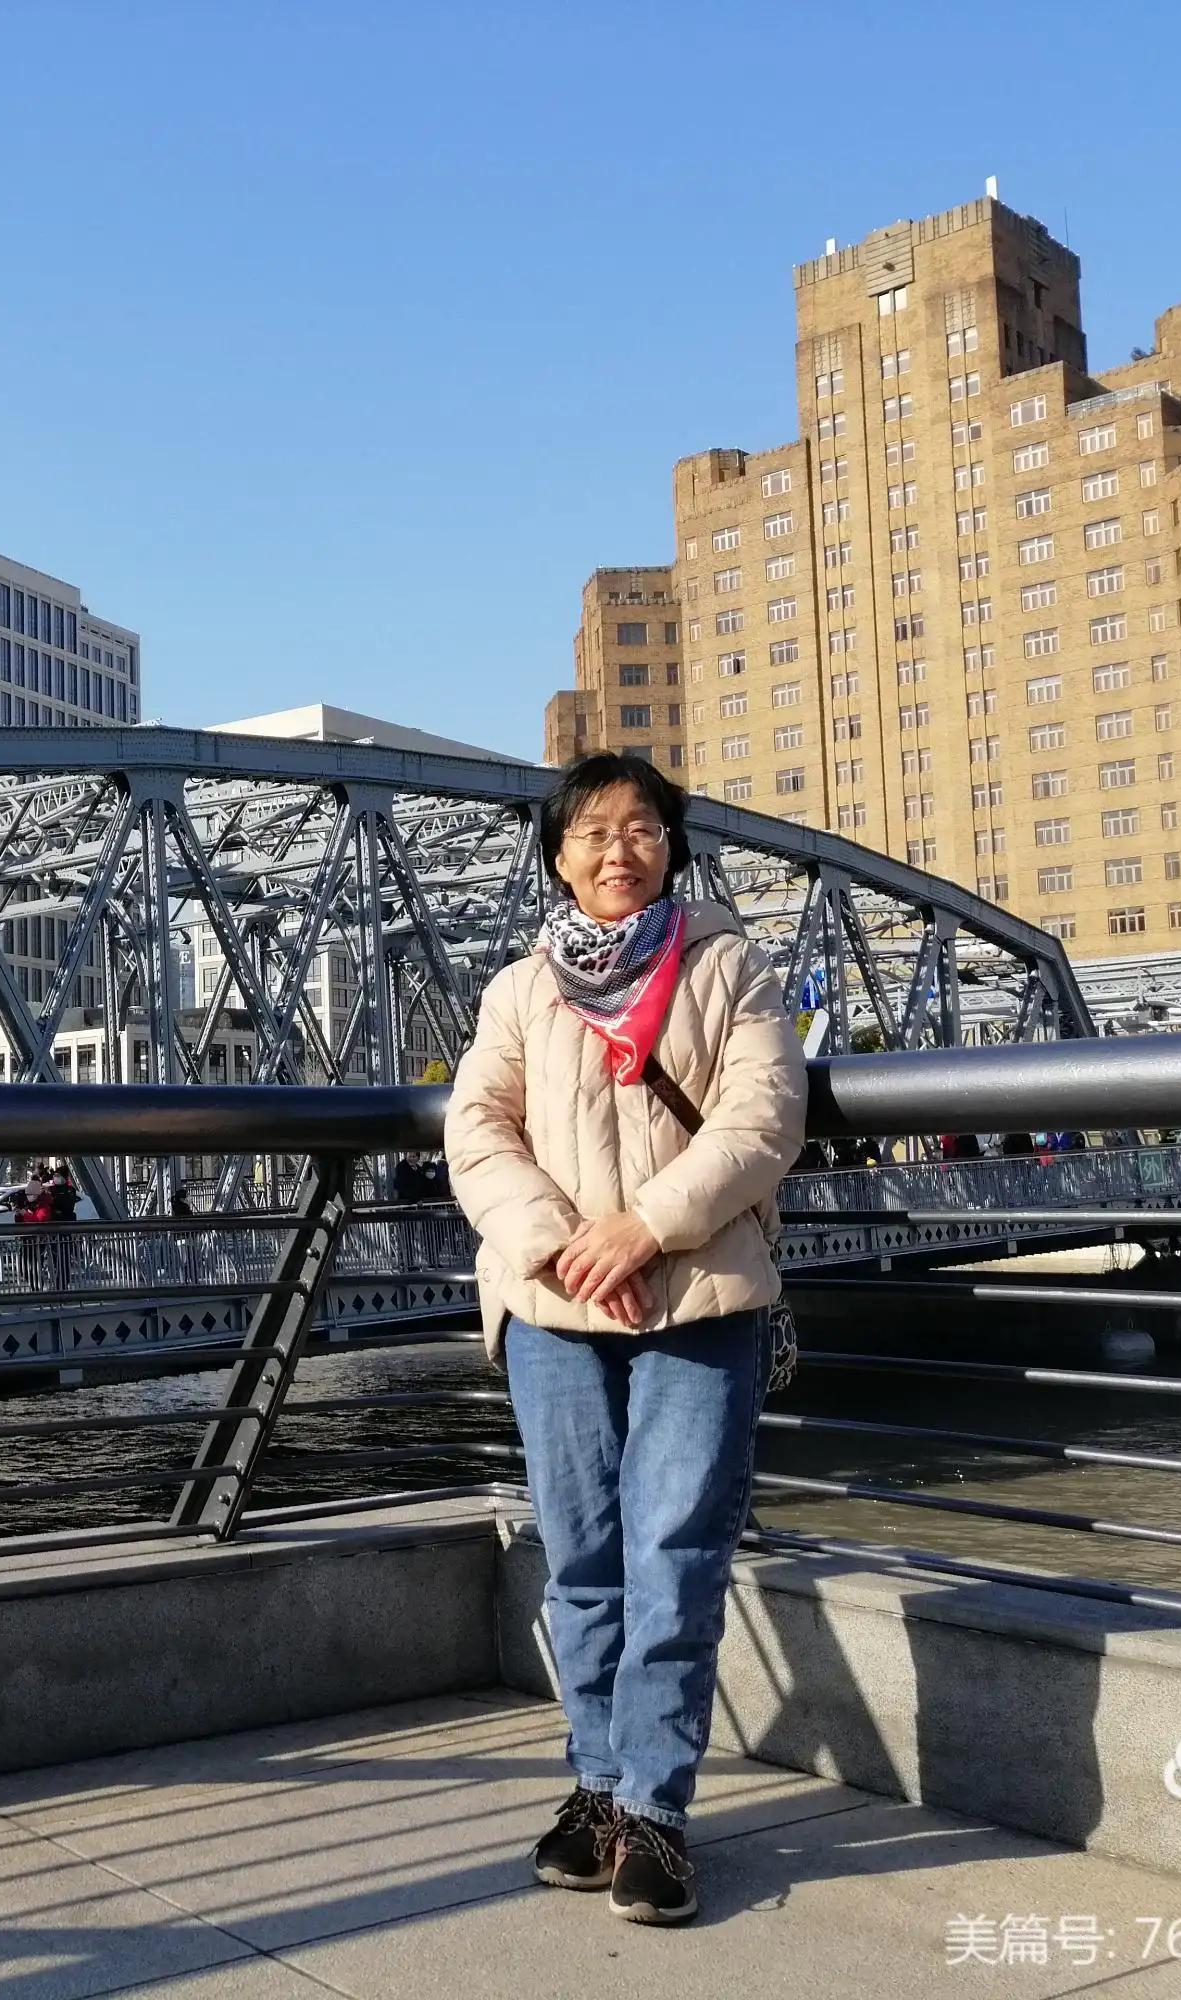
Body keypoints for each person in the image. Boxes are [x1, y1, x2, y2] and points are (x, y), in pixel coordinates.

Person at [445, 752, 805, 1928]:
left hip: (698, 1292)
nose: (619, 848)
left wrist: (646, 1225)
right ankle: (594, 1784)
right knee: (584, 1552)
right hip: (555, 1301)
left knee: (676, 1551)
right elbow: (477, 1130)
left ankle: (655, 1808)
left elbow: (763, 1117)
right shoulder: (519, 989)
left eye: (643, 827)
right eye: (594, 829)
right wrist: (561, 1241)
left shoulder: (731, 965)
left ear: (673, 848)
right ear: (558, 853)